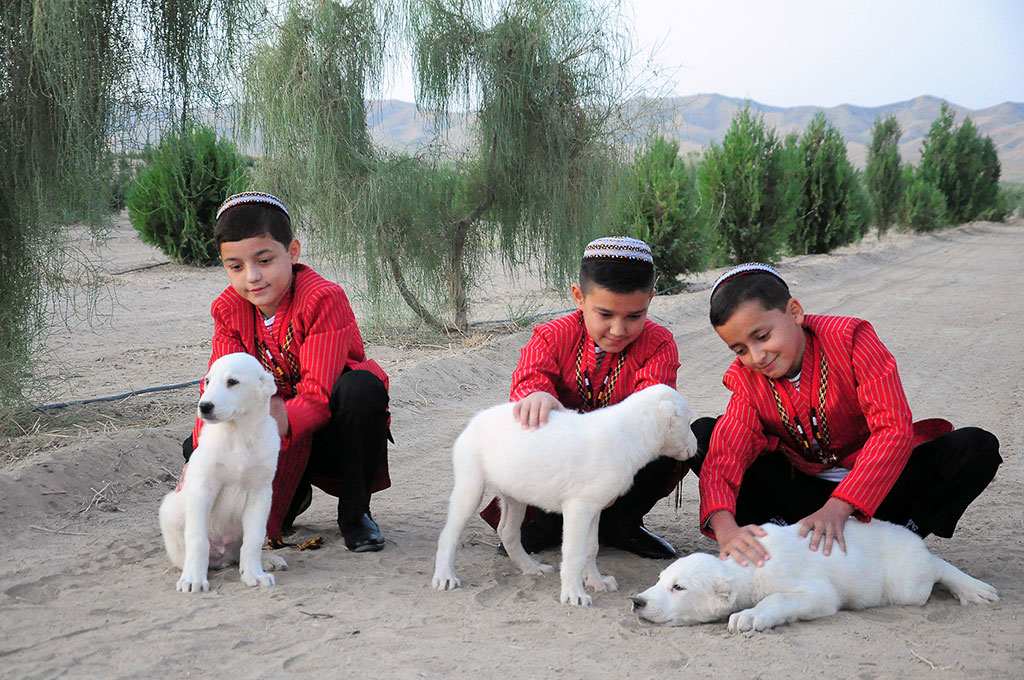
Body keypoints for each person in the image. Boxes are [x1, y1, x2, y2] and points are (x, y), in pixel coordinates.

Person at [691, 262, 1001, 567]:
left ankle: (896, 539)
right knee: (704, 436)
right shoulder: (747, 379)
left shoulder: (850, 339)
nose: (756, 356)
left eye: (762, 336)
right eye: (740, 350)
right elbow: (725, 455)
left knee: (975, 446)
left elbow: (892, 428)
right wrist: (726, 529)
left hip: (877, 491)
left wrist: (839, 506)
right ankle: (788, 535)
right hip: (802, 497)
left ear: (795, 312)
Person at [181, 191, 392, 552]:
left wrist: (273, 423)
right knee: (199, 444)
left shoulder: (323, 298)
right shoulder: (228, 310)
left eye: (264, 260)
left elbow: (317, 395)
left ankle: (355, 513)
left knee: (361, 389)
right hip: (269, 429)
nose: (253, 277)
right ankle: (291, 496)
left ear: (292, 252)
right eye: (236, 266)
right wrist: (203, 448)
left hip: (326, 427)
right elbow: (219, 386)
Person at [479, 236, 687, 559]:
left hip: (619, 463)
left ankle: (622, 524)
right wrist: (537, 396)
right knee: (531, 423)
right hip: (563, 467)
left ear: (651, 300)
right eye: (605, 314)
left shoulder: (659, 344)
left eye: (635, 316)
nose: (618, 329)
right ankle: (546, 524)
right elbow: (530, 378)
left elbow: (650, 408)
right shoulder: (551, 335)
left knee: (671, 435)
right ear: (578, 297)